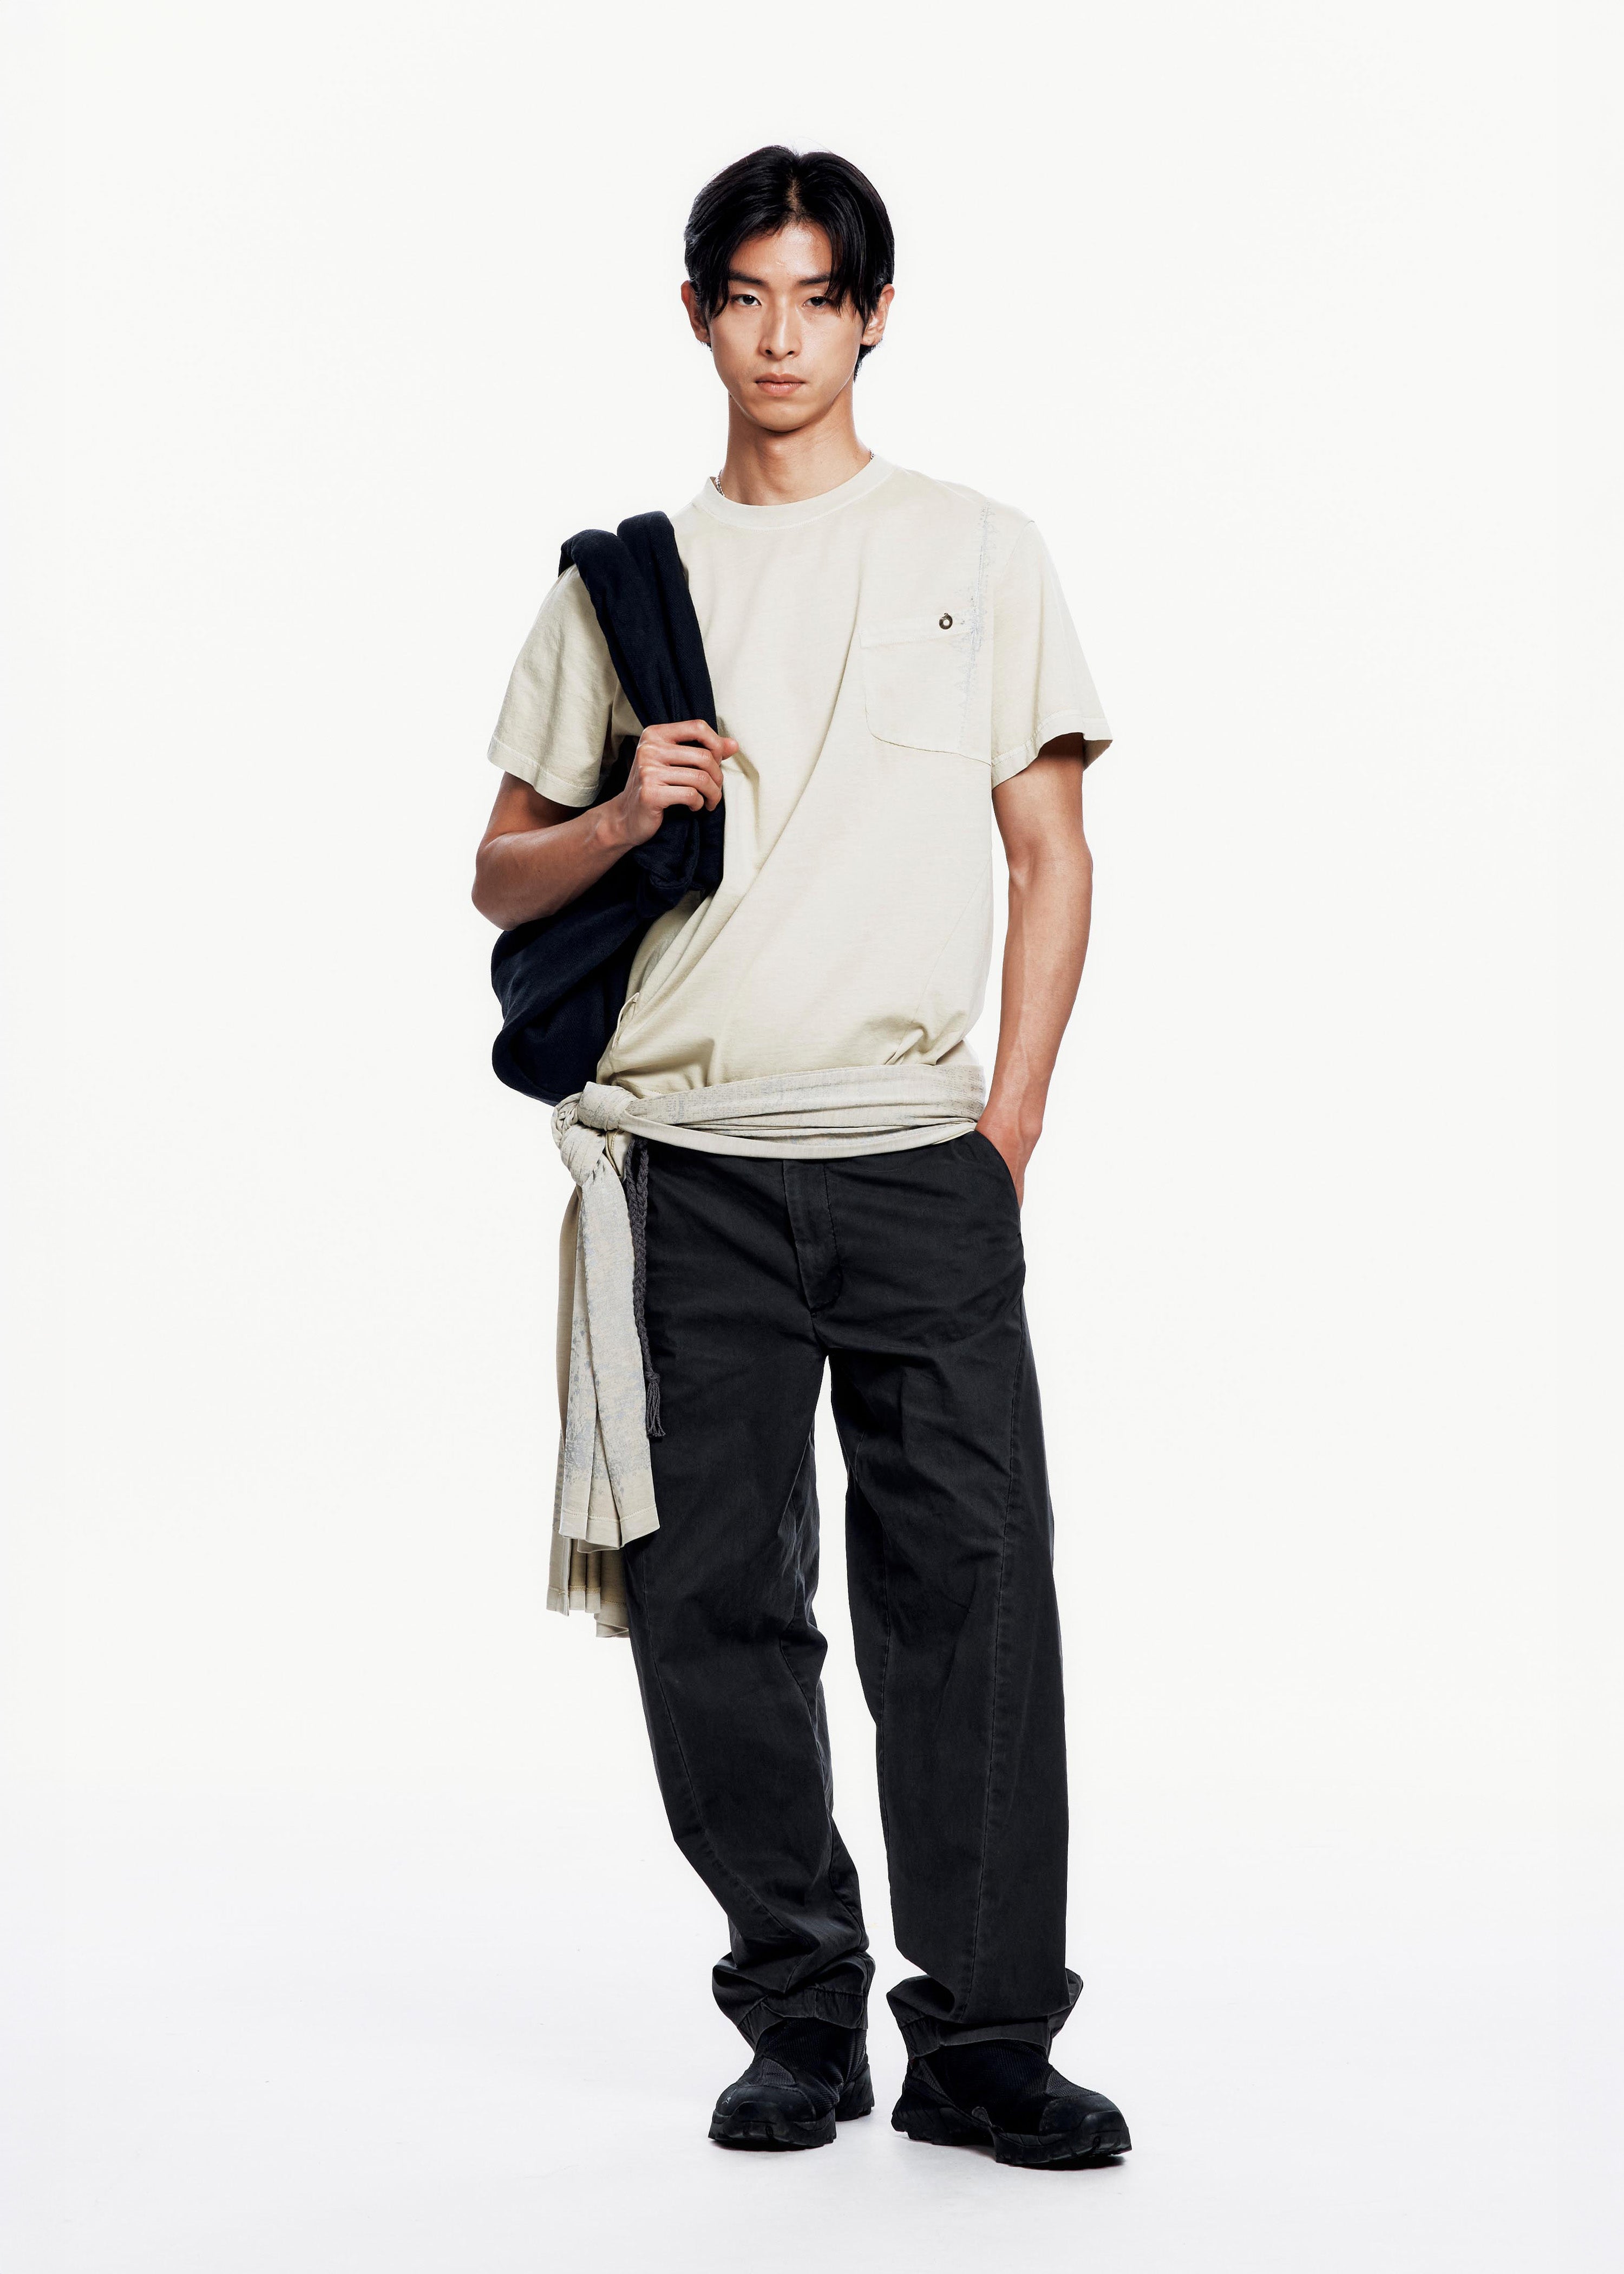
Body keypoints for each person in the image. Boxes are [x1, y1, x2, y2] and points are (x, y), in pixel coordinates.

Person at [473, 146, 1130, 2170]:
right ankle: (797, 2008)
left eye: (817, 297)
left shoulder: (980, 549)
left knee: (974, 1595)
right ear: (698, 315)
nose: (781, 337)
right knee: (709, 1604)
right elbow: (499, 879)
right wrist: (620, 811)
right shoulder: (622, 585)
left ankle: (988, 2039)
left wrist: (1010, 1128)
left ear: (873, 315)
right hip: (691, 1169)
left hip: (923, 1159)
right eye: (745, 297)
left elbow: (1050, 855)